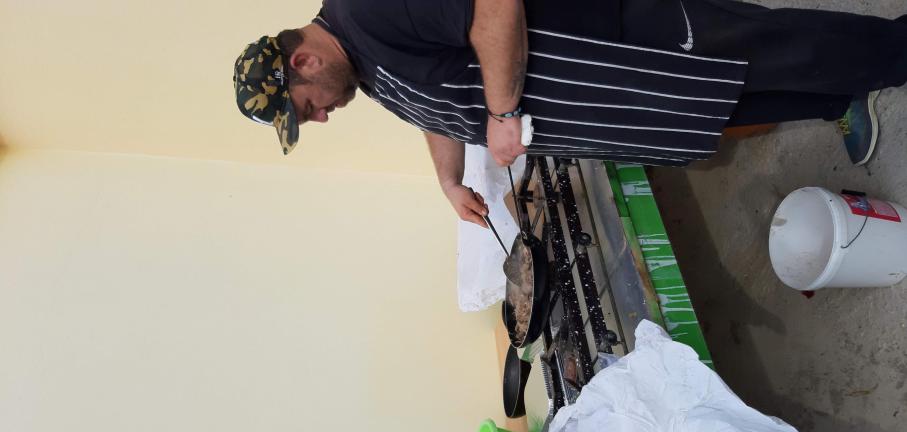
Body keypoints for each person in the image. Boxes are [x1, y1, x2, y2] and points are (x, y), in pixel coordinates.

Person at [233, 0, 907, 227]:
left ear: (303, 63)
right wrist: (448, 180)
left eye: (306, 109)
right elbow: (433, 108)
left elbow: (494, 8)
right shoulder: (361, 70)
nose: (320, 118)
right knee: (721, 106)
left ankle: (895, 50)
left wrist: (502, 112)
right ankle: (836, 100)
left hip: (615, 37)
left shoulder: (369, 12)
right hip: (606, 100)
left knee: (769, 49)